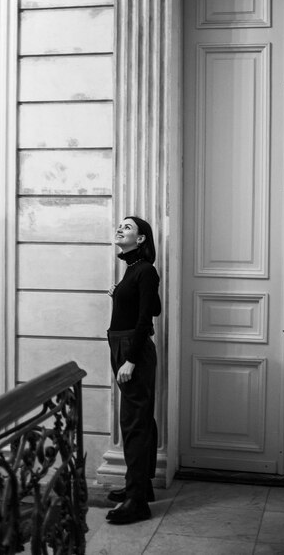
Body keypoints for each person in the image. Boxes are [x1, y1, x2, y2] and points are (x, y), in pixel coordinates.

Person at [105, 216, 161, 525]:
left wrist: (131, 360)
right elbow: (155, 306)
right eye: (121, 225)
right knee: (139, 419)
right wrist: (123, 293)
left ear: (141, 239)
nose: (120, 228)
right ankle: (140, 486)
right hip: (123, 346)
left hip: (132, 350)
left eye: (128, 227)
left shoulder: (145, 271)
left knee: (134, 423)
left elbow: (146, 321)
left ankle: (137, 501)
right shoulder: (135, 271)